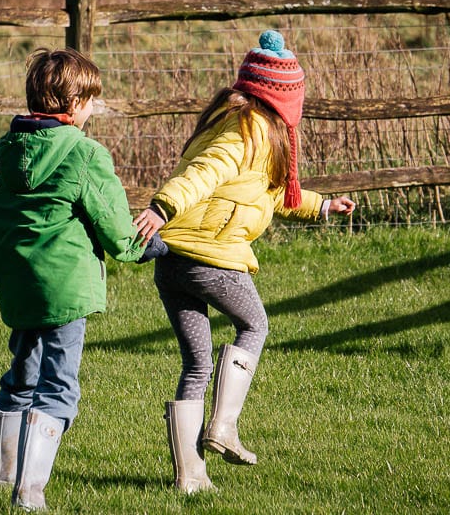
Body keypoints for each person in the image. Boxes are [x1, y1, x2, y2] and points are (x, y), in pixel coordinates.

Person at [134, 30, 356, 493]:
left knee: (196, 363)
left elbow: (272, 195)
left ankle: (190, 478)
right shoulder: (247, 130)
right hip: (210, 256)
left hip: (173, 261)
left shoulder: (232, 121)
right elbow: (203, 173)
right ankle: (223, 427)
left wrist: (321, 205)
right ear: (282, 97)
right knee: (255, 325)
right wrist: (162, 206)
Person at [0, 47, 167, 511]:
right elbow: (114, 224)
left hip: (19, 283)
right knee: (59, 385)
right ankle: (29, 491)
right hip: (64, 288)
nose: (92, 110)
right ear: (75, 105)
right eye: (90, 101)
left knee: (22, 374)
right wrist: (148, 247)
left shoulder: (11, 148)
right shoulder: (84, 154)